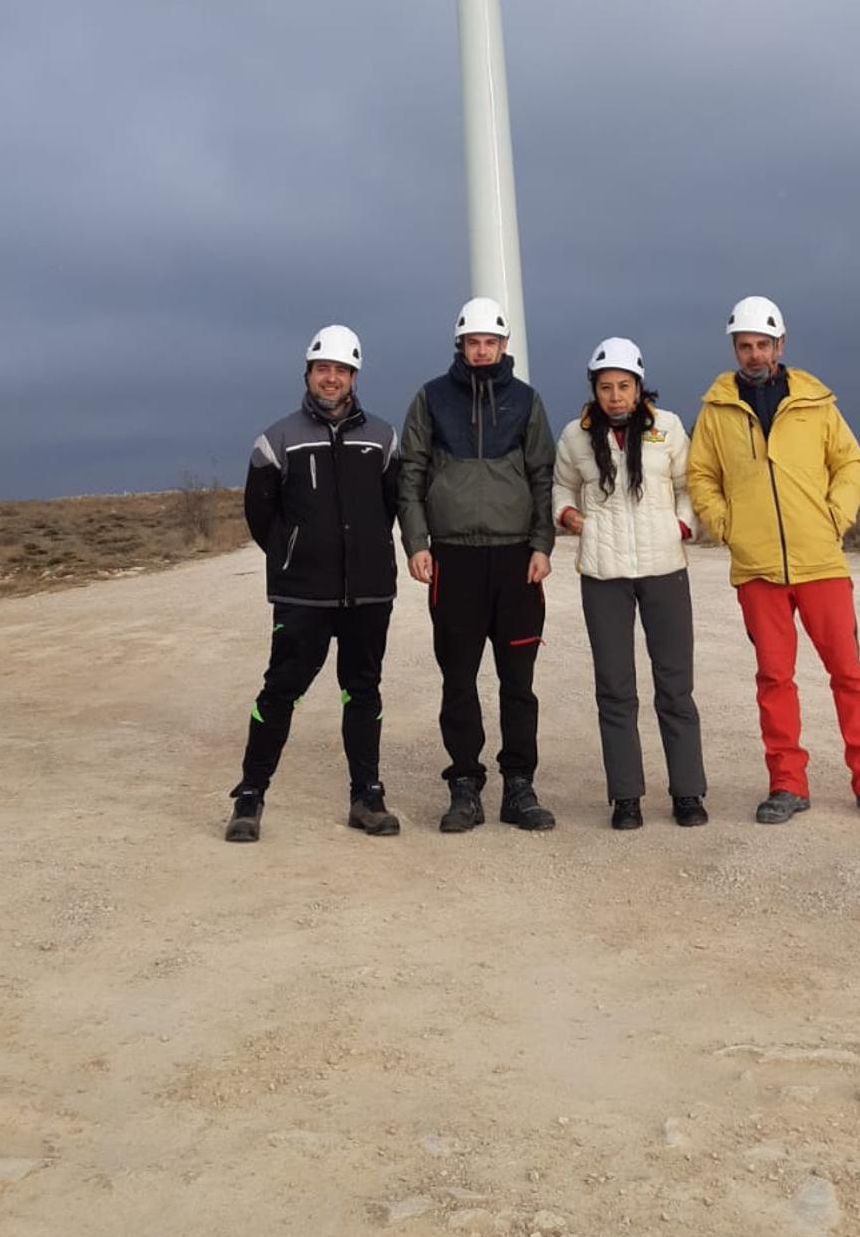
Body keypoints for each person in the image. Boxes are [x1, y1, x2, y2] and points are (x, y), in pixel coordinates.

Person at [687, 296, 860, 826]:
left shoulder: (815, 402)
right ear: (734, 349)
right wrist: (729, 527)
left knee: (848, 673)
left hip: (821, 562)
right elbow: (700, 477)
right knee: (774, 678)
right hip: (757, 568)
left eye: (763, 344)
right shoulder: (717, 410)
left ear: (780, 345)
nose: (754, 354)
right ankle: (787, 783)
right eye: (745, 346)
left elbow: (850, 462)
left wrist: (836, 515)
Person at [225, 324, 402, 842]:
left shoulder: (383, 438)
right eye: (323, 369)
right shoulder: (276, 439)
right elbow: (260, 513)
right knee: (280, 692)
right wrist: (293, 555)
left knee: (362, 692)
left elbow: (392, 504)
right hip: (303, 593)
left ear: (354, 376)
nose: (332, 378)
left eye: (342, 370)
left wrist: (368, 548)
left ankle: (367, 796)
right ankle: (249, 797)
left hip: (368, 592)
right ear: (308, 373)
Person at [399, 296, 557, 834]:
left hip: (516, 560)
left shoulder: (527, 402)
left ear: (504, 345)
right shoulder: (431, 399)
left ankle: (519, 786)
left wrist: (542, 544)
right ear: (461, 345)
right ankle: (464, 785)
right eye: (474, 342)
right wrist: (416, 542)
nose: (483, 350)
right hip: (454, 558)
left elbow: (542, 475)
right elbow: (411, 474)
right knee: (458, 679)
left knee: (519, 682)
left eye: (491, 342)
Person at [554, 337, 707, 830]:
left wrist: (682, 527)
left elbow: (688, 485)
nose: (615, 396)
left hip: (664, 568)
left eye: (624, 386)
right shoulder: (575, 436)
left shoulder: (668, 428)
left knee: (675, 687)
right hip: (604, 573)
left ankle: (688, 792)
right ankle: (626, 796)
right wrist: (567, 513)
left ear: (640, 386)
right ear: (593, 390)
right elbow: (560, 484)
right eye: (605, 387)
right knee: (615, 690)